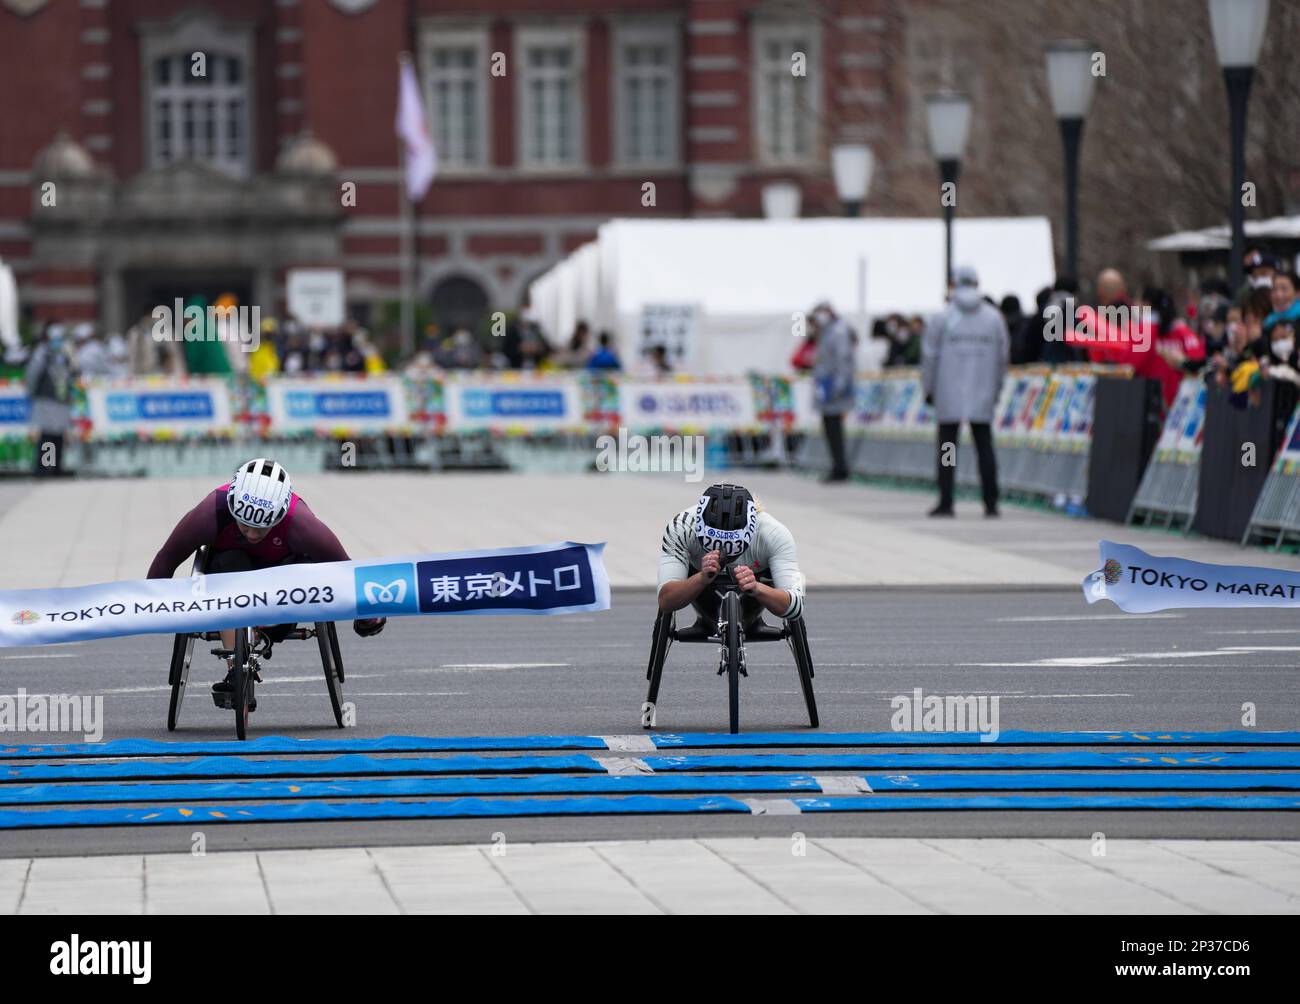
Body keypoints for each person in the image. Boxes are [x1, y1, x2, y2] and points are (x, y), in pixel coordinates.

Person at [147, 458, 386, 704]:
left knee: (303, 570)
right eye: (244, 525)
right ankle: (235, 667)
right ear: (232, 507)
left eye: (260, 529)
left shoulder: (301, 524)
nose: (251, 533)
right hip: (227, 583)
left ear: (280, 517)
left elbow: (344, 568)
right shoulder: (211, 511)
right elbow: (168, 557)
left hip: (281, 589)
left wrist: (367, 611)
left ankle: (261, 634)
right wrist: (147, 603)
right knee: (229, 562)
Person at [656, 483, 805, 635]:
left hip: (754, 594)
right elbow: (665, 601)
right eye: (714, 546)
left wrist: (757, 588)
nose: (724, 554)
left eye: (733, 550)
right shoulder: (682, 527)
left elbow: (797, 606)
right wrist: (701, 578)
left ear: (751, 530)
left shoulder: (775, 533)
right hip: (701, 590)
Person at [921, 265, 1008, 517]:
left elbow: (930, 357)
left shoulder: (943, 317)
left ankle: (946, 500)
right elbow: (1003, 358)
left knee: (948, 449)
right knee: (984, 447)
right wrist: (996, 388)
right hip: (982, 390)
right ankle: (991, 502)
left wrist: (929, 388)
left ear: (954, 283)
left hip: (949, 391)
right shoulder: (993, 318)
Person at [811, 300, 855, 483]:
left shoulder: (838, 331)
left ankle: (840, 468)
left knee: (835, 429)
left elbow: (843, 360)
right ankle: (837, 466)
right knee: (829, 428)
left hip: (834, 387)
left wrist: (839, 386)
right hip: (826, 386)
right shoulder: (826, 332)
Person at [24, 323, 75, 477]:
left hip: (61, 401)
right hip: (46, 400)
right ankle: (44, 468)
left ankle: (55, 467)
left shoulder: (64, 354)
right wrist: (32, 393)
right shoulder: (42, 353)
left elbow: (71, 374)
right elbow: (32, 375)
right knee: (47, 436)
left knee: (58, 436)